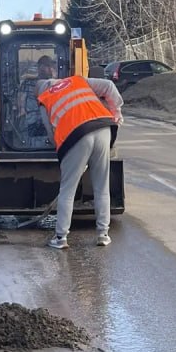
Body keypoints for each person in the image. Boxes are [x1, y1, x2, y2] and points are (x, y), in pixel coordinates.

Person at [36, 71, 123, 249]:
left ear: (40, 91)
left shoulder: (44, 99)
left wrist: (68, 154)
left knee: (67, 190)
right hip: (103, 127)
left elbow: (52, 134)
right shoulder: (77, 80)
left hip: (75, 136)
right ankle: (103, 234)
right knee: (101, 187)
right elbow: (109, 86)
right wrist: (116, 114)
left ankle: (60, 238)